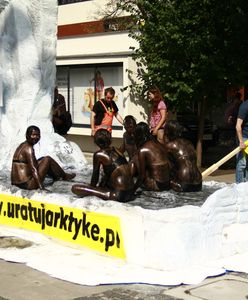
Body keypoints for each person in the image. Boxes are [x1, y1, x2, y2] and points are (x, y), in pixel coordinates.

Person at [71, 129, 134, 202]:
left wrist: (92, 189)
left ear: (96, 142)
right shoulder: (117, 150)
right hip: (130, 192)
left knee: (75, 188)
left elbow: (95, 177)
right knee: (104, 177)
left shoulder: (99, 154)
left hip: (119, 195)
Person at [11, 125, 76, 190]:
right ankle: (64, 176)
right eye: (33, 135)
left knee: (43, 159)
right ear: (27, 135)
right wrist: (41, 188)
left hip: (17, 183)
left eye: (38, 135)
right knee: (47, 159)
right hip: (27, 184)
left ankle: (59, 176)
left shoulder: (22, 145)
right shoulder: (28, 148)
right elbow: (34, 169)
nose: (36, 137)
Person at [164, 120, 202, 192]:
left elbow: (166, 167)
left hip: (184, 180)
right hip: (198, 181)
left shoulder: (170, 146)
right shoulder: (189, 143)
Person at [132, 122, 170, 191]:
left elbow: (142, 176)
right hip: (167, 183)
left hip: (157, 185)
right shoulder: (158, 144)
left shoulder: (143, 150)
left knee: (135, 160)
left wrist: (133, 189)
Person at [235, 97, 248, 183]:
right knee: (241, 164)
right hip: (244, 138)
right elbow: (238, 125)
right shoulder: (245, 106)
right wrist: (241, 141)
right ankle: (239, 186)